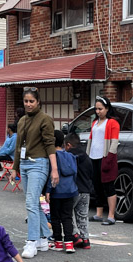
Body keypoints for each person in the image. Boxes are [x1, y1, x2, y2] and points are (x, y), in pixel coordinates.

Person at [12, 88, 57, 258]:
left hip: (39, 163)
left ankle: (32, 241)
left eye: (32, 101)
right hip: (24, 164)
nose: (28, 104)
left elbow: (50, 145)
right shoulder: (22, 120)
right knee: (33, 203)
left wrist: (54, 169)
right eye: (26, 101)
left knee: (31, 203)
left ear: (38, 101)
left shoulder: (45, 119)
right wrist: (14, 167)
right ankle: (44, 238)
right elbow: (18, 146)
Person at [87, 97, 120, 225]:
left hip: (105, 157)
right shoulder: (95, 123)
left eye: (100, 109)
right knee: (97, 186)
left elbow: (114, 142)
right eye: (96, 109)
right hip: (94, 156)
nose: (98, 111)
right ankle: (99, 213)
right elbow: (91, 140)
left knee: (108, 185)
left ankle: (111, 215)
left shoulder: (112, 123)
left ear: (107, 109)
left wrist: (109, 158)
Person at [46, 130, 79, 253]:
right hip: (70, 189)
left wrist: (48, 190)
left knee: (55, 217)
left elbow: (52, 174)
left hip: (56, 191)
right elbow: (75, 173)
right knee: (67, 217)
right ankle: (69, 244)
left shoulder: (53, 157)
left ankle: (58, 243)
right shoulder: (71, 156)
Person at [65, 131, 93, 249]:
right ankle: (85, 239)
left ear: (69, 145)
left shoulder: (69, 156)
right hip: (86, 190)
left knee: (67, 213)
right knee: (82, 215)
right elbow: (91, 173)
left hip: (74, 189)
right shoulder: (87, 157)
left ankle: (75, 235)